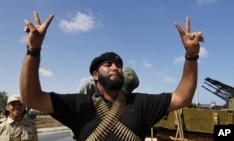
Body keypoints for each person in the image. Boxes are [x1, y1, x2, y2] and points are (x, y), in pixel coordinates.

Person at [20, 11, 204, 141]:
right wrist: (33, 50)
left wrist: (191, 56)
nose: (115, 68)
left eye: (118, 65)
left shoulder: (141, 103)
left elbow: (183, 97)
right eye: (107, 65)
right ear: (95, 75)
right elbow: (31, 98)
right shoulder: (79, 104)